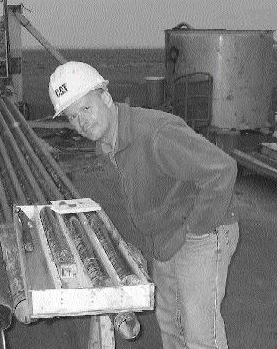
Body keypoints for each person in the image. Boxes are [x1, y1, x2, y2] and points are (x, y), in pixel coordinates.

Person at [48, 61, 239, 349]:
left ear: (106, 97)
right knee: (171, 324)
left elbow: (221, 170)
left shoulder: (154, 133)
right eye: (73, 117)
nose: (81, 122)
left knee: (201, 334)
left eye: (86, 108)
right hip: (167, 235)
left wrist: (194, 230)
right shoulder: (106, 145)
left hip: (203, 229)